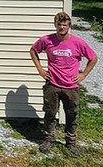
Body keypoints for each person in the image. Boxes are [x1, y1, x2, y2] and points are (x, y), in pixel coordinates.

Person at [30, 11, 97, 156]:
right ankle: (48, 139)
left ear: (69, 26)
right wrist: (40, 69)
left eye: (64, 25)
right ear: (55, 25)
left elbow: (93, 58)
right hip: (52, 84)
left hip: (70, 86)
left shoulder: (78, 43)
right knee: (50, 113)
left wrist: (83, 74)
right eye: (59, 24)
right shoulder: (47, 40)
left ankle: (71, 142)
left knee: (71, 114)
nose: (61, 27)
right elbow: (33, 51)